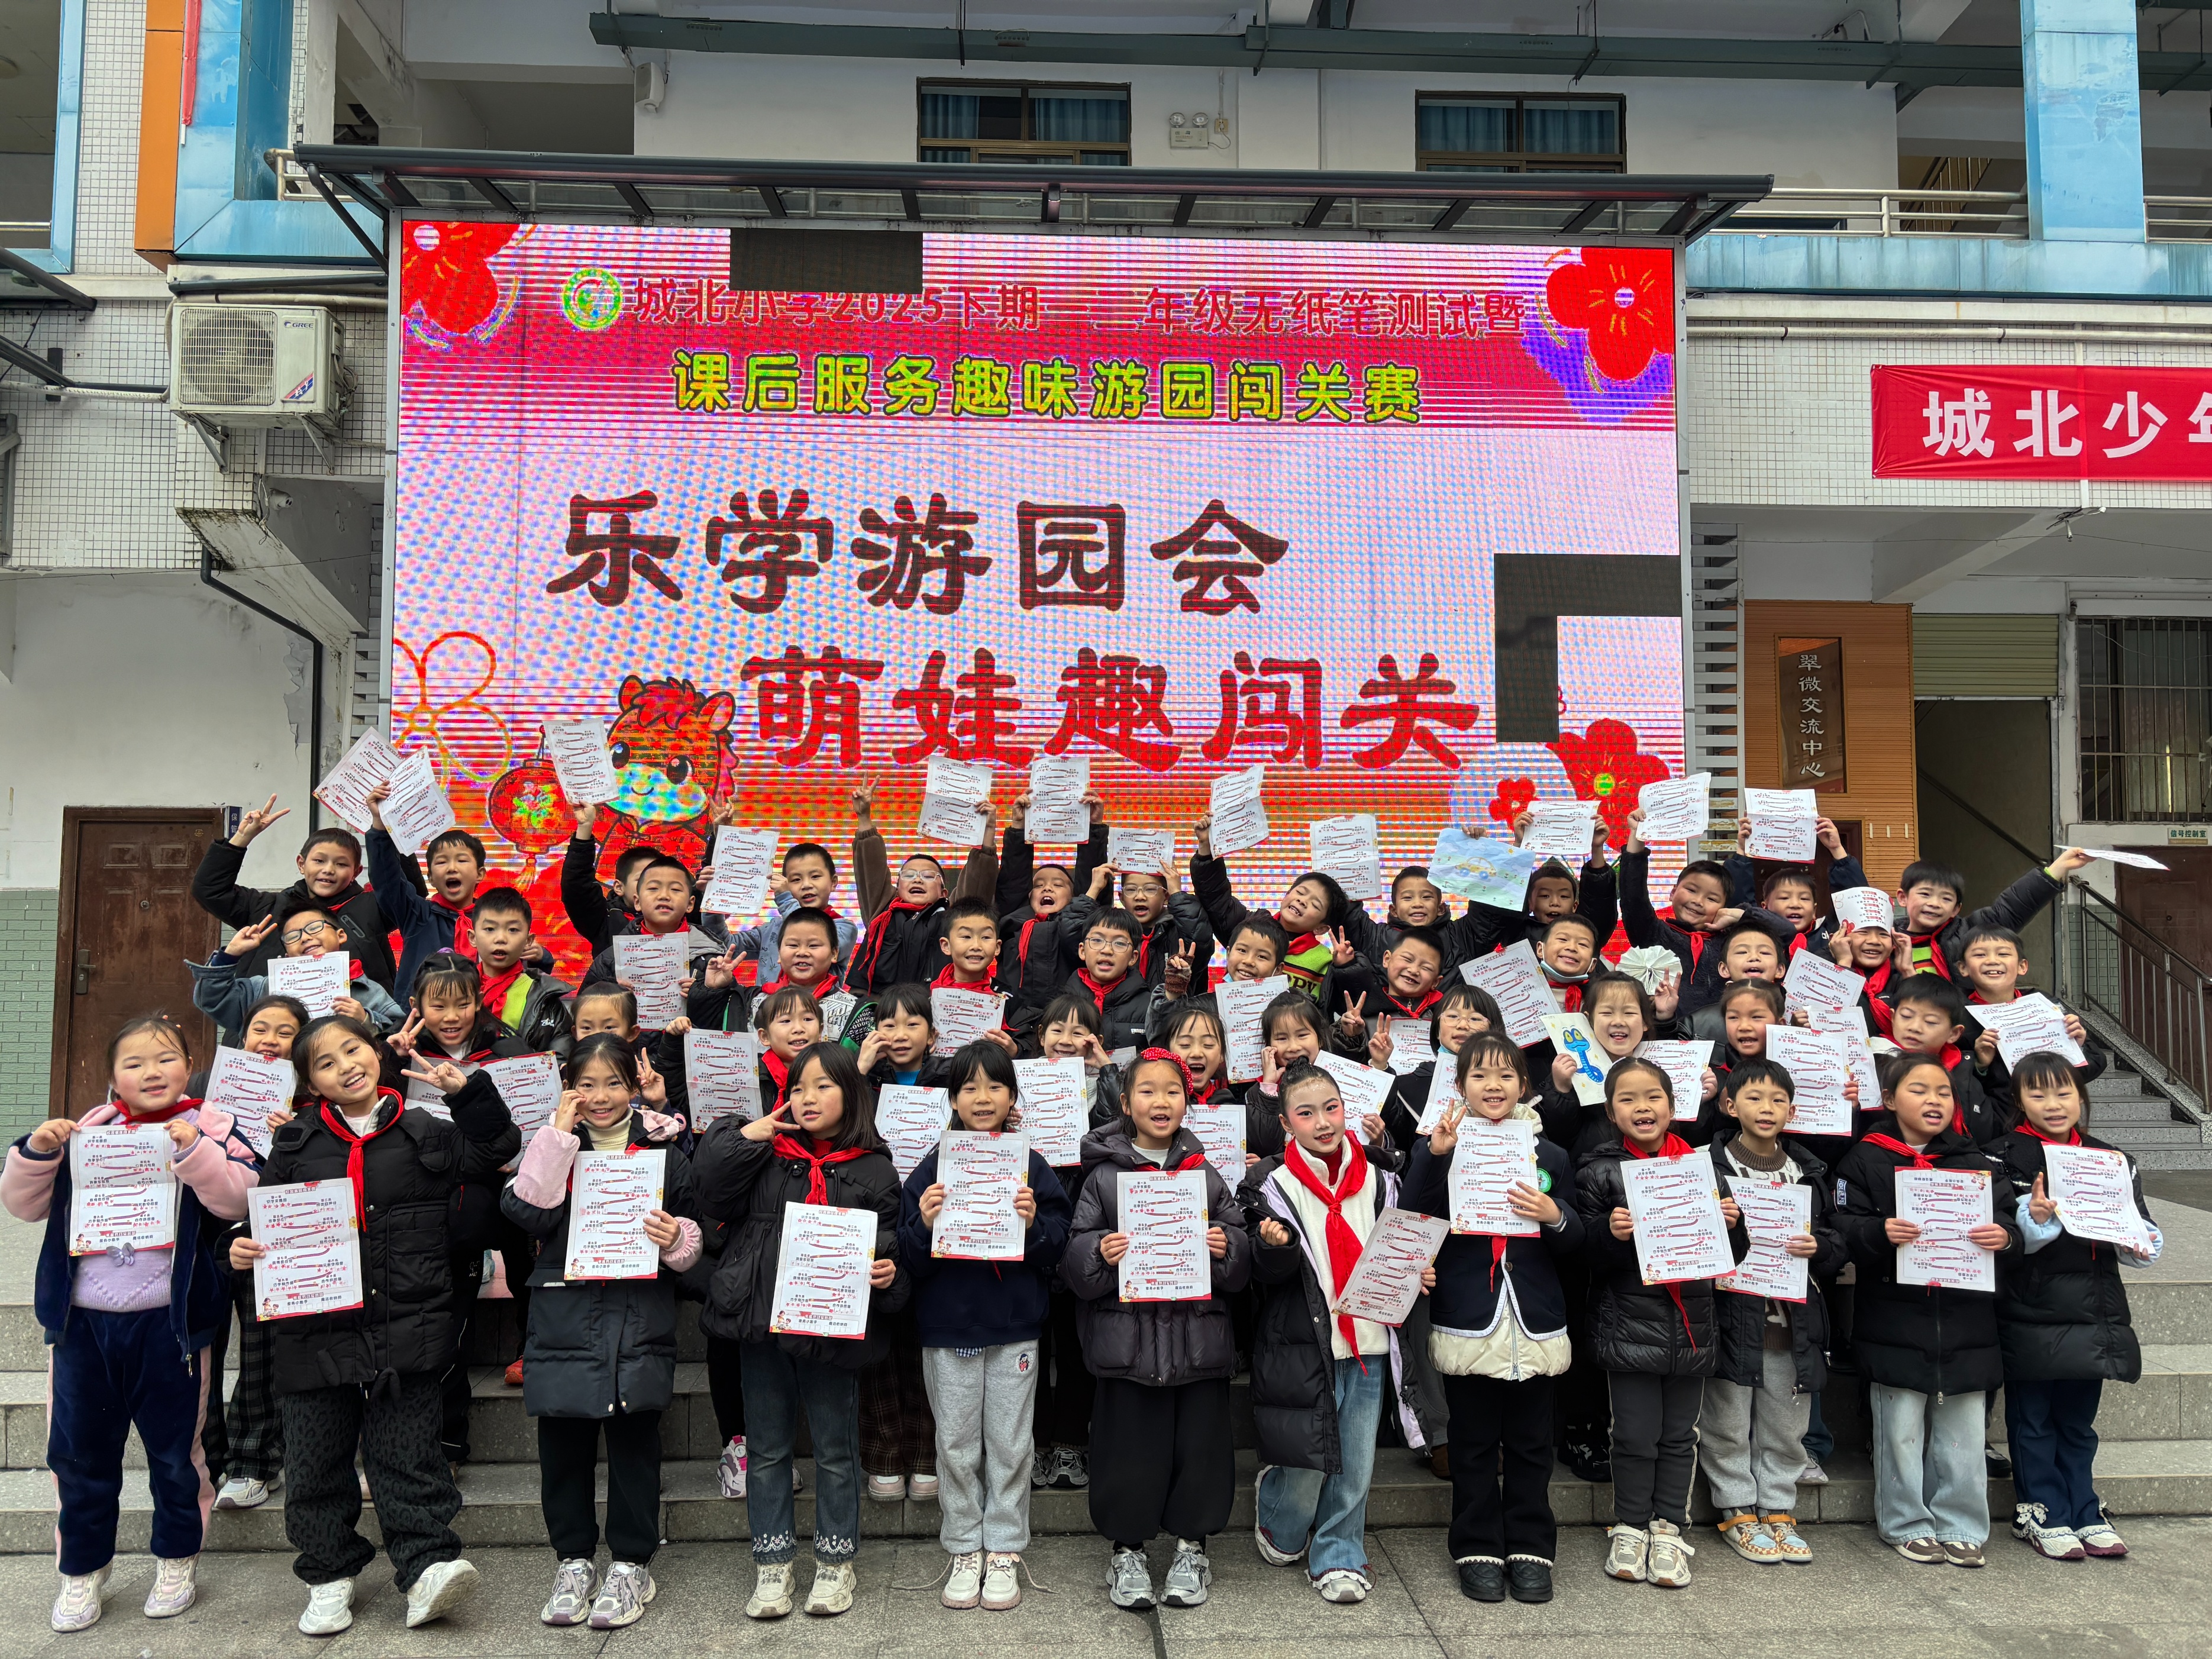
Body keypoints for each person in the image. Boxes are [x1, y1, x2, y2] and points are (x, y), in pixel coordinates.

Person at [232, 1012, 516, 1634]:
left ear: (376, 1052)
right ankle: (328, 1574)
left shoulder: (426, 1129)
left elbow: (498, 1148)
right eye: (325, 1063)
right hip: (314, 1326)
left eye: (352, 1049)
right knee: (314, 1460)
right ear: (311, 1083)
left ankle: (426, 1567)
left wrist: (467, 1093)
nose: (346, 1066)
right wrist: (244, 1248)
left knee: (408, 1454)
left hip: (407, 1320)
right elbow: (263, 1220)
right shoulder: (295, 1143)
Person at [5, 1015, 260, 1632]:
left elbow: (239, 1196)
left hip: (169, 1329)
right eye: (135, 1063)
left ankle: (176, 1558)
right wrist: (38, 1151)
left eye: (166, 1058)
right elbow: (23, 1204)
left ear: (189, 1066)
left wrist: (194, 1150)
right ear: (112, 1076)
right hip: (84, 1327)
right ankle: (82, 1568)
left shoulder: (213, 1126)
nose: (152, 1072)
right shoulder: (88, 1131)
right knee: (79, 1454)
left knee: (176, 1456)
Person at [694, 1042, 908, 1620]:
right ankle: (772, 1563)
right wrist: (748, 1134)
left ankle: (836, 1562)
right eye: (797, 1087)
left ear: (852, 1094)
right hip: (761, 1322)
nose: (807, 1098)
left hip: (830, 1329)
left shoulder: (874, 1168)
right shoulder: (762, 1154)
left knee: (836, 1450)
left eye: (822, 1086)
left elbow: (890, 1245)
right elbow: (707, 1190)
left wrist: (887, 1272)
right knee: (766, 1448)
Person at [504, 1034, 700, 1629]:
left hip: (638, 1316)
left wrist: (677, 1240)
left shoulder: (664, 1148)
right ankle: (573, 1561)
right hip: (565, 1316)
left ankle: (632, 1563)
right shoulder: (555, 1144)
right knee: (562, 1444)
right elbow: (528, 1211)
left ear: (634, 1086)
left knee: (635, 1443)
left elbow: (695, 1232)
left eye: (614, 1082)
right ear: (569, 1088)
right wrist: (558, 1136)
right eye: (586, 1084)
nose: (601, 1095)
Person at [1063, 1049, 1254, 1612]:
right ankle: (1127, 1552)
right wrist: (1098, 1251)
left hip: (1198, 1345)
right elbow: (1075, 1260)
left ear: (1187, 1102)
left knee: (1201, 1452)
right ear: (1125, 1104)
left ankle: (1193, 1550)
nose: (1160, 1101)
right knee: (1127, 1454)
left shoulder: (1205, 1174)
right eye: (1147, 1091)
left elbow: (1240, 1263)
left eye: (1172, 1091)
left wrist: (1226, 1245)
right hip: (1127, 1346)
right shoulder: (1102, 1177)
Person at [1400, 1033, 1581, 1605]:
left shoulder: (1550, 1155)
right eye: (1479, 1076)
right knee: (1472, 1444)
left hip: (1533, 1318)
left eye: (1505, 1075)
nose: (1493, 1085)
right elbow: (1412, 1213)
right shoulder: (1442, 1146)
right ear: (1459, 1086)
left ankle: (1530, 1548)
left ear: (1523, 1085)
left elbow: (1575, 1242)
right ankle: (1476, 1547)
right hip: (1469, 1314)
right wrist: (1434, 1155)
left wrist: (1555, 1215)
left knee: (1531, 1445)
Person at [896, 1041, 1072, 1611]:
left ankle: (1003, 1547)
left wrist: (1033, 1224)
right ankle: (963, 1546)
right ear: (952, 1099)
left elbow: (1058, 1244)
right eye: (968, 1087)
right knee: (954, 1444)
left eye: (995, 1086)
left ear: (1012, 1097)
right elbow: (908, 1256)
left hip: (1014, 1327)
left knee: (1011, 1443)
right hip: (949, 1328)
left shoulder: (1030, 1165)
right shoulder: (932, 1167)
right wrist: (924, 1224)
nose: (982, 1097)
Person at [1834, 1053, 2019, 1568]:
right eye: (1918, 1090)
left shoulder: (1976, 1163)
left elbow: (2010, 1221)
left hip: (1966, 1321)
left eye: (1943, 1092)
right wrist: (1877, 1232)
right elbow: (1841, 1225)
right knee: (1898, 1431)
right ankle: (1905, 1523)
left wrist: (2005, 1237)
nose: (1933, 1100)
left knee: (1964, 1433)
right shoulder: (1863, 1159)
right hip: (1893, 1319)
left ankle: (1960, 1523)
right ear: (1889, 1100)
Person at [1241, 1061, 1406, 1605]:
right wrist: (1274, 1248)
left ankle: (1338, 1552)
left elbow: (1398, 1248)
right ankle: (1279, 1513)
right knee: (1305, 1462)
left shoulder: (1381, 1177)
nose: (1323, 1123)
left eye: (1331, 1108)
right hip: (1303, 1340)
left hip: (1368, 1339)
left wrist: (1415, 1272)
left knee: (1355, 1460)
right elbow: (1260, 1275)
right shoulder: (1269, 1184)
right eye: (1306, 1113)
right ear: (1286, 1123)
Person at [1578, 1057, 1745, 1589]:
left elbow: (1733, 1255)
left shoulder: (1703, 1169)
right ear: (1611, 1113)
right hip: (1628, 1328)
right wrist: (1608, 1233)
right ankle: (1629, 1527)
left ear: (1673, 1108)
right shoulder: (1598, 1171)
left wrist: (1732, 1227)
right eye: (1627, 1099)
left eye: (1653, 1097)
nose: (1642, 1107)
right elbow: (1582, 1255)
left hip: (1692, 1324)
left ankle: (1669, 1529)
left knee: (1679, 1435)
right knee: (1632, 1434)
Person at [1997, 1052, 2159, 1562]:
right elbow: (2001, 1238)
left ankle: (2085, 1509)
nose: (2053, 1104)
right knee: (2032, 1419)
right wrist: (2033, 1219)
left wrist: (2139, 1243)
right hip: (2030, 1307)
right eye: (2037, 1094)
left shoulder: (2111, 1158)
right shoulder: (2002, 1155)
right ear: (2018, 1100)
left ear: (2081, 1096)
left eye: (2063, 1092)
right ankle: (2041, 1511)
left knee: (2077, 1422)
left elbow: (2140, 1226)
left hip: (2095, 1308)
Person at [1700, 1059, 1845, 1567]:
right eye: (1754, 1097)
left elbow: (1837, 1238)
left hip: (1792, 1320)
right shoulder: (1707, 1166)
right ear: (1728, 1105)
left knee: (1786, 1423)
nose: (1766, 1108)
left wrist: (1820, 1248)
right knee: (1726, 1420)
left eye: (1778, 1100)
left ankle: (1778, 1508)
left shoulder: (1808, 1172)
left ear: (1792, 1110)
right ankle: (1736, 1508)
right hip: (1731, 1316)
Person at [205, 993, 309, 1512]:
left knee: (259, 1355)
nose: (269, 1041)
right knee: (201, 1353)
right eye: (260, 1029)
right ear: (242, 1036)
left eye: (285, 1032)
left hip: (269, 1242)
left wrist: (292, 1139)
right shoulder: (206, 1094)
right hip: (206, 1236)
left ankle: (252, 1463)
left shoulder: (314, 1102)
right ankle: (207, 1463)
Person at [1026, 992, 1122, 1490]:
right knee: (1031, 1349)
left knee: (1075, 1343)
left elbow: (1119, 1131)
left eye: (1079, 1031)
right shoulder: (1019, 1085)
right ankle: (1036, 1444)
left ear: (1095, 1040)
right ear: (1040, 1037)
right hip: (1031, 1229)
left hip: (1084, 1229)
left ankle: (1070, 1444)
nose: (1066, 1040)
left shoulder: (1106, 1089)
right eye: (1056, 1030)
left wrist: (1106, 1071)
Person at [192, 796, 398, 990]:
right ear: (301, 864)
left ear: (356, 872)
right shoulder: (266, 908)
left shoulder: (375, 908)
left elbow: (408, 890)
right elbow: (210, 889)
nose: (328, 870)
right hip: (271, 1015)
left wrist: (389, 827)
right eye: (319, 861)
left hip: (353, 1016)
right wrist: (242, 837)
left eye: (341, 864)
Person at [1620, 803, 1793, 1014]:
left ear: (1723, 907)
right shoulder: (1654, 933)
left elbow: (1787, 931)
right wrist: (1637, 836)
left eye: (1711, 898)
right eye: (1691, 890)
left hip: (1728, 1029)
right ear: (1673, 892)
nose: (1698, 901)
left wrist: (1739, 915)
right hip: (1670, 1030)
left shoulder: (1732, 939)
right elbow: (1633, 898)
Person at [847, 779, 1000, 994]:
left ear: (943, 892)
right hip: (881, 1007)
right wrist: (864, 817)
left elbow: (978, 881)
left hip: (936, 1006)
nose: (917, 880)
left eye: (928, 876)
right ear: (897, 886)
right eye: (909, 875)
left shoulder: (952, 917)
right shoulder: (882, 912)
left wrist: (987, 832)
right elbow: (870, 870)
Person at [190, 908, 405, 1041]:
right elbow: (212, 999)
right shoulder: (264, 989)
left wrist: (366, 1020)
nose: (305, 938)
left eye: (315, 927)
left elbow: (401, 1033)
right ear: (287, 954)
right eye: (293, 936)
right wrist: (230, 955)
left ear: (341, 935)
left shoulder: (370, 991)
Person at [1188, 823, 1349, 999]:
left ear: (1322, 928)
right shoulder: (1248, 926)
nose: (1302, 901)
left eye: (1315, 905)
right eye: (1301, 893)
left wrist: (1345, 968)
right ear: (1286, 895)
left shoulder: (1324, 962)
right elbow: (1216, 898)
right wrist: (1206, 848)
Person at [1892, 848, 2092, 984]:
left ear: (1956, 909)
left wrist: (2060, 867)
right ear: (1903, 898)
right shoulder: (1886, 940)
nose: (1935, 903)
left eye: (1946, 898)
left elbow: (2012, 908)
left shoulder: (1970, 933)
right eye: (1925, 894)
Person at [366, 786, 493, 998]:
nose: (452, 868)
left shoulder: (492, 921)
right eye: (442, 862)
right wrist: (380, 825)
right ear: (431, 878)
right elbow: (386, 878)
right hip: (418, 1015)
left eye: (462, 860)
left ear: (480, 874)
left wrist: (539, 957)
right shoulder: (417, 914)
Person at [1724, 813, 1865, 963]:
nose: (1795, 904)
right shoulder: (1756, 933)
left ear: (1814, 910)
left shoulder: (1831, 934)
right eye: (1784, 898)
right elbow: (1739, 901)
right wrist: (1742, 850)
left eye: (1804, 899)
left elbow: (1854, 902)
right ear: (1765, 907)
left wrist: (1837, 849)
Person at [722, 835, 860, 980]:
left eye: (815, 876)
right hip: (768, 997)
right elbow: (725, 945)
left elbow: (808, 936)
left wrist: (785, 899)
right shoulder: (772, 928)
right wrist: (714, 904)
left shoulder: (845, 929)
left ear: (833, 882)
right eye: (796, 879)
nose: (806, 885)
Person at [468, 886, 574, 1055]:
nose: (501, 939)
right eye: (490, 929)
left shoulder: (546, 998)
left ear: (528, 941)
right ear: (472, 938)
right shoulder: (457, 989)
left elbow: (561, 1059)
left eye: (513, 930)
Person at [1060, 905, 1157, 1056]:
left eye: (1119, 943)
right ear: (1082, 951)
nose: (1107, 950)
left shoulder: (1150, 1006)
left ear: (1133, 958)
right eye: (1097, 940)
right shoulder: (1061, 1004)